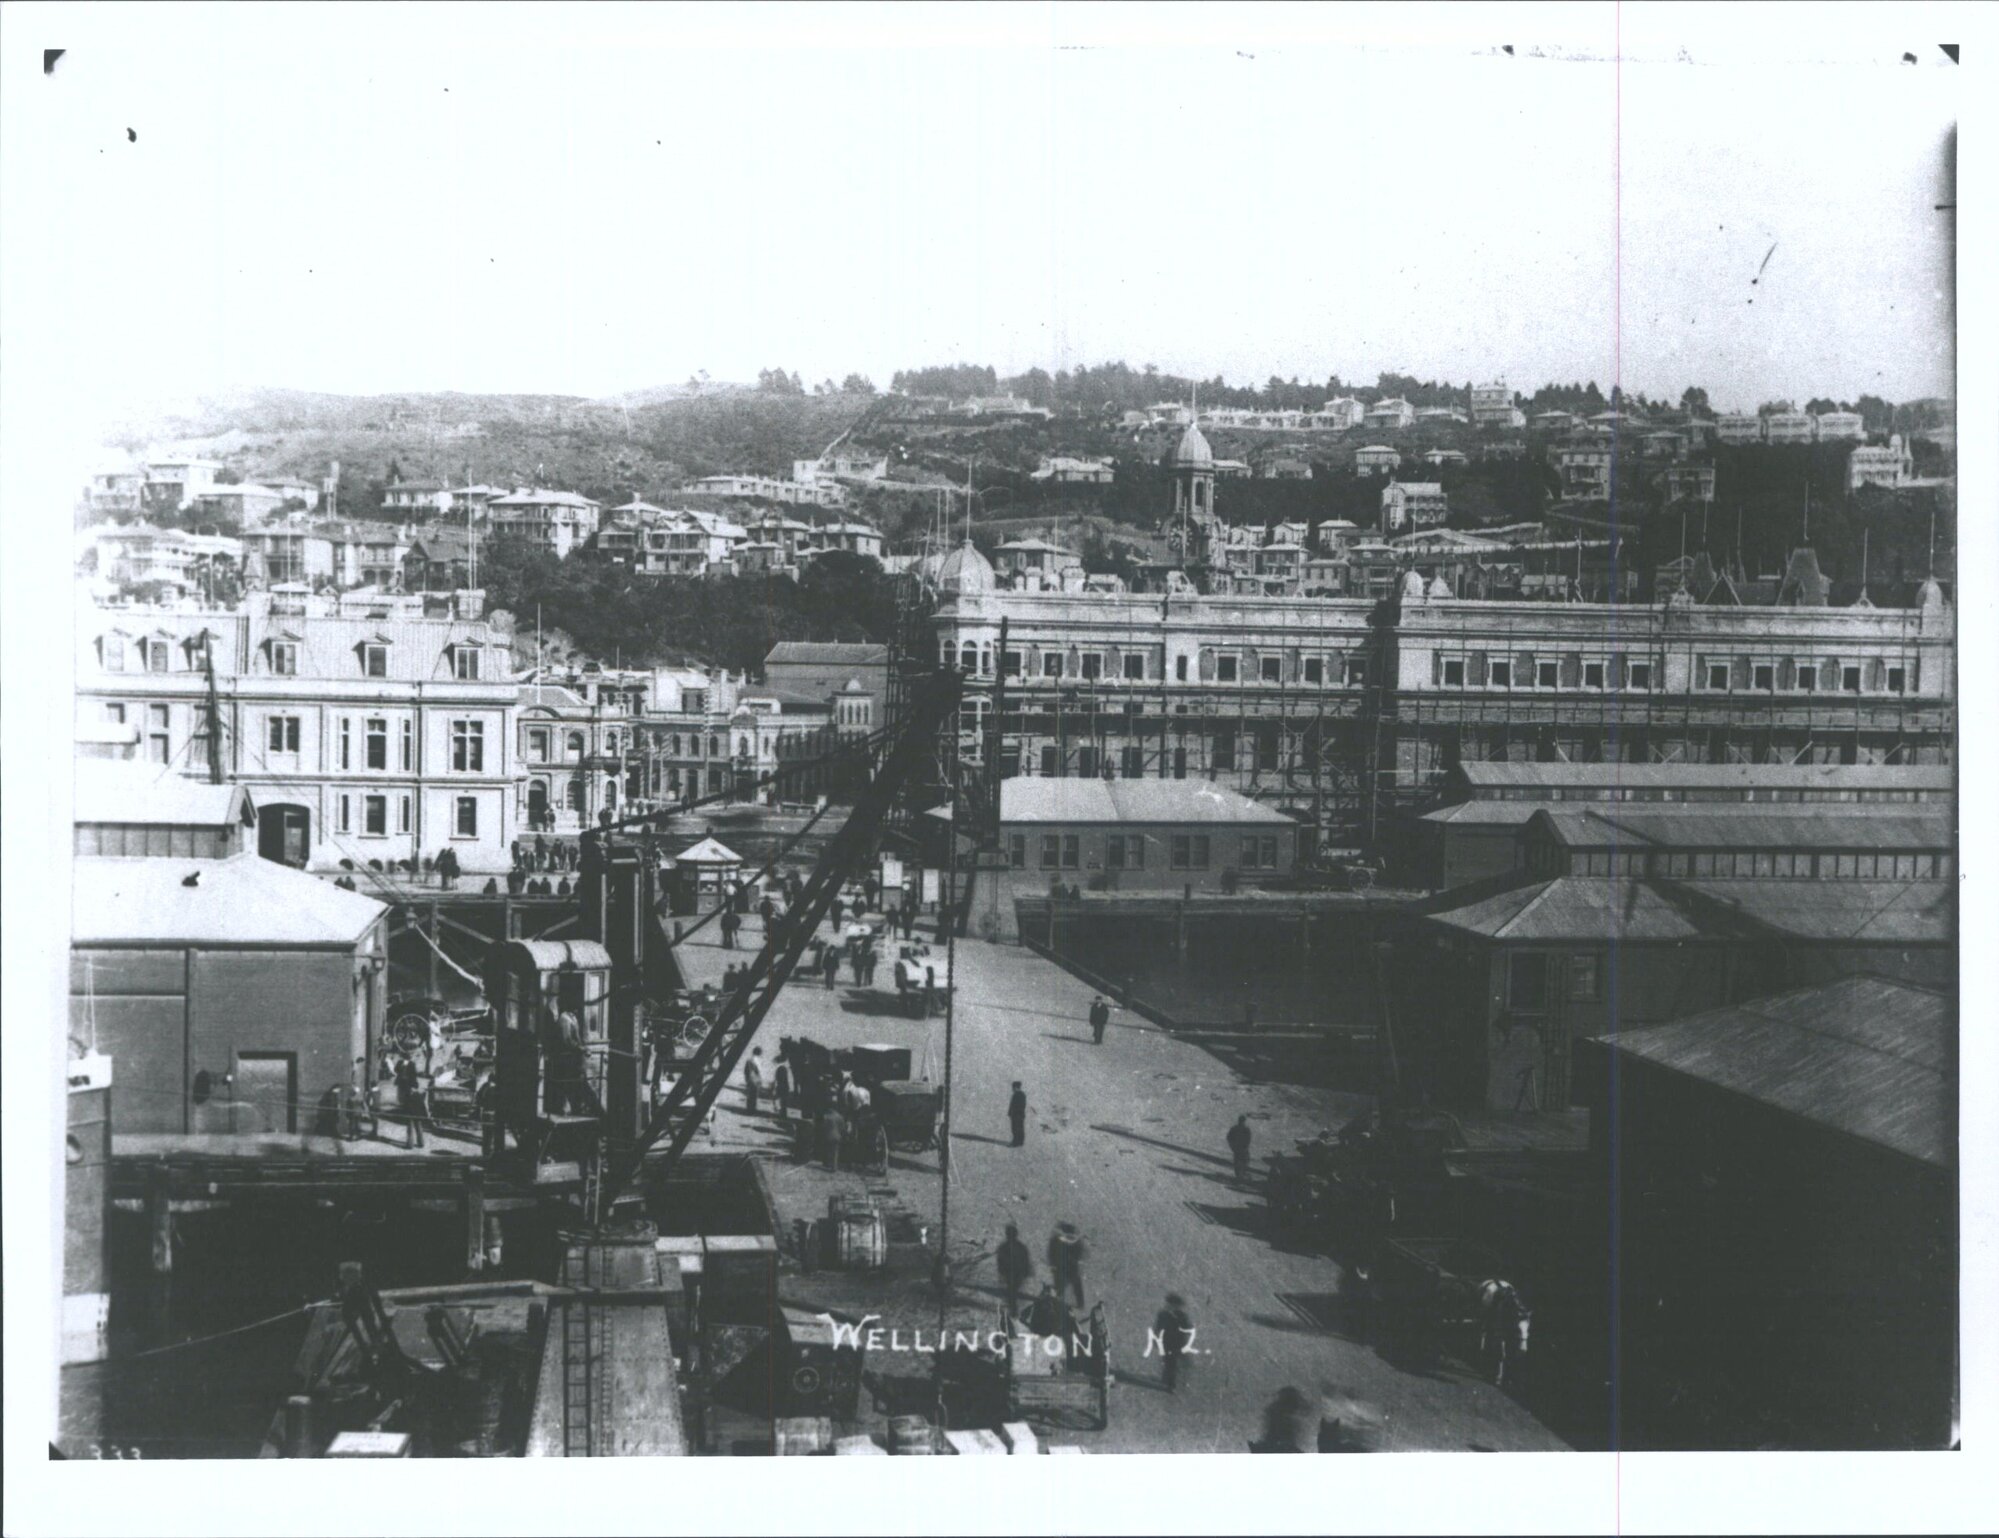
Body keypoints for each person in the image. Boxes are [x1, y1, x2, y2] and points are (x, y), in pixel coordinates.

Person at [1154, 1292, 1195, 1392]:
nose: (1170, 1306)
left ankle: (1170, 1382)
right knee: (1168, 1361)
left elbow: (1188, 1328)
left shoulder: (1181, 1316)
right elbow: (1157, 1327)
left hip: (1176, 1343)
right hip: (1166, 1342)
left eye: (1173, 1305)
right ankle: (1167, 1381)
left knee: (1171, 1362)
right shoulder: (1163, 1314)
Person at [996, 1223, 1034, 1319]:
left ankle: (1013, 1308)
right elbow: (1000, 1260)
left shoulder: (1015, 1247)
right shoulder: (1007, 1247)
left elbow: (1025, 1259)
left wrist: (1026, 1270)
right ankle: (1013, 1310)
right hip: (1010, 1272)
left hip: (1017, 1272)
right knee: (1012, 1290)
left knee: (1013, 1290)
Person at [1048, 1222, 1086, 1309]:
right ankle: (1056, 1302)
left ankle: (1080, 1304)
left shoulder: (1077, 1244)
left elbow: (1080, 1254)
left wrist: (1075, 1260)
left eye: (1071, 1238)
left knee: (1076, 1284)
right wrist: (1053, 1265)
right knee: (1059, 1286)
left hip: (1071, 1268)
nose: (1069, 1241)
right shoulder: (1055, 1242)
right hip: (1061, 1268)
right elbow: (1051, 1254)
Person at [393, 1053, 427, 1148]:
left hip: (410, 1111)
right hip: (417, 1112)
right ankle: (421, 1143)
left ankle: (410, 1144)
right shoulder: (419, 1095)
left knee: (410, 1126)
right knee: (418, 1126)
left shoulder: (408, 1064)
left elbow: (411, 1074)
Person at [1227, 1114, 1254, 1185]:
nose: (1243, 1123)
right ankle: (1240, 1178)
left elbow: (1229, 1138)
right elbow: (1248, 1139)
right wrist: (1233, 1146)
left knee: (1240, 1163)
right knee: (1242, 1163)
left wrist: (1232, 1146)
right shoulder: (1245, 1129)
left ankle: (1240, 1177)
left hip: (1239, 1149)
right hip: (1241, 1150)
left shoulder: (1235, 1128)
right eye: (1243, 1121)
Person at [822, 1103, 846, 1172]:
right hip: (837, 1136)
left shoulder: (826, 1116)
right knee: (835, 1152)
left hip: (828, 1135)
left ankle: (829, 1164)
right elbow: (843, 1128)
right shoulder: (840, 1117)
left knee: (828, 1150)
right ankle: (834, 1167)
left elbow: (824, 1126)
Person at [744, 1047, 765, 1114]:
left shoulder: (749, 1060)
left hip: (750, 1079)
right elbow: (759, 1071)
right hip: (757, 1079)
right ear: (759, 1053)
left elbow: (746, 1071)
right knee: (755, 1095)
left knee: (750, 1095)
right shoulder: (759, 1061)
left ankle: (749, 1109)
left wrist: (747, 1079)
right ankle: (753, 1109)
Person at [1007, 1082, 1028, 1147]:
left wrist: (1015, 1113)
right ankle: (1020, 1142)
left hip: (1018, 1115)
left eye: (1013, 1087)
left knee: (1016, 1129)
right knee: (1019, 1128)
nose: (1012, 1089)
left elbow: (1021, 1105)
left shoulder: (1020, 1094)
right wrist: (1010, 1112)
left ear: (1015, 1087)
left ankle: (1016, 1142)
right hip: (1017, 1114)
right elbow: (1012, 1105)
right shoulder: (1017, 1094)